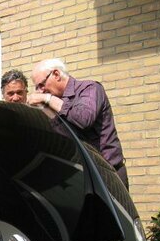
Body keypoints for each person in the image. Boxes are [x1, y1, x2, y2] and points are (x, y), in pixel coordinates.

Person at [27, 58, 128, 188]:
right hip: (81, 177)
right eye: (37, 88)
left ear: (56, 74)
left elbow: (83, 119)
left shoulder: (90, 88)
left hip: (108, 175)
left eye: (41, 85)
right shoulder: (55, 103)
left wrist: (48, 99)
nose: (40, 91)